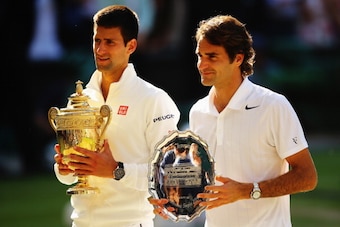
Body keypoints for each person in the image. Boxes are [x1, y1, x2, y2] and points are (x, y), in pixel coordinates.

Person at [149, 14, 318, 226]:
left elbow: (307, 177)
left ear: (238, 58)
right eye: (200, 55)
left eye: (212, 56)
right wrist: (170, 197)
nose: (202, 64)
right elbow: (198, 181)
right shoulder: (198, 111)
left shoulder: (273, 106)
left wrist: (246, 191)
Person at [53, 5, 180, 227]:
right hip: (81, 222)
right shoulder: (81, 100)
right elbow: (70, 178)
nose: (100, 49)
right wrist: (65, 168)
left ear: (131, 46)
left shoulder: (154, 99)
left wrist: (116, 170)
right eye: (97, 41)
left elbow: (170, 173)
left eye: (109, 42)